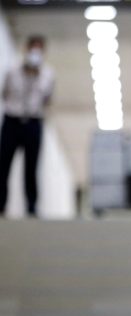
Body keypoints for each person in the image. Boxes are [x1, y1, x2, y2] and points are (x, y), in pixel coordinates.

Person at [1, 35, 55, 217]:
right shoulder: (12, 70)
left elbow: (48, 100)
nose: (35, 52)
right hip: (12, 120)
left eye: (39, 49)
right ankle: (1, 204)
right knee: (4, 164)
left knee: (31, 166)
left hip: (33, 122)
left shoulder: (48, 74)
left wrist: (36, 76)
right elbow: (5, 93)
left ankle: (31, 206)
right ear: (26, 49)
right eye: (33, 48)